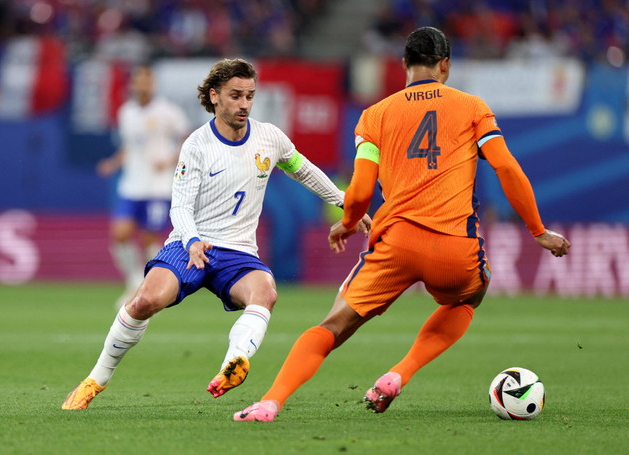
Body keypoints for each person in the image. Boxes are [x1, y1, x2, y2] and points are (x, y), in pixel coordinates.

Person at [234, 27, 571, 422]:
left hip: (395, 245)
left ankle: (270, 402)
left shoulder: (375, 116)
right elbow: (505, 167)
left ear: (404, 65)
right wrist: (537, 230)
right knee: (469, 296)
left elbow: (359, 190)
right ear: (444, 64)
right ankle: (400, 372)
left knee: (333, 326)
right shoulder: (473, 107)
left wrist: (347, 221)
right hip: (454, 247)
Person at [62, 58, 371, 410]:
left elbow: (305, 171)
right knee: (146, 300)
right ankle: (95, 379)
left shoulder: (270, 138)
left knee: (265, 293)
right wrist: (192, 240)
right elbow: (179, 206)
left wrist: (348, 205)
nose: (244, 104)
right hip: (189, 243)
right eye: (236, 95)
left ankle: (235, 361)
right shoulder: (197, 145)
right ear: (215, 96)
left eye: (250, 96)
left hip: (238, 252)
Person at [97, 65, 191, 309]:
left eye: (146, 81)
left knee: (150, 238)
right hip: (132, 185)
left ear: (153, 84)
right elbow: (129, 147)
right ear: (132, 85)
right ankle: (133, 281)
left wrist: (171, 159)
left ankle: (153, 289)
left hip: (158, 187)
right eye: (138, 81)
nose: (142, 85)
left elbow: (187, 139)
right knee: (120, 235)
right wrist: (113, 162)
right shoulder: (126, 113)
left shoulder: (168, 111)